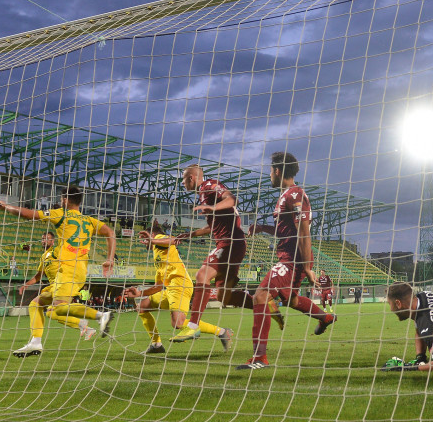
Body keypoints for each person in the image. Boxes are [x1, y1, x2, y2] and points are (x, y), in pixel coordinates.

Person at [241, 152, 336, 370]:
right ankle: (326, 317)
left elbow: (303, 232)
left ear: (277, 171)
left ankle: (259, 358)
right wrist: (263, 228)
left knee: (261, 296)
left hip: (293, 260)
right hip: (290, 257)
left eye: (270, 171)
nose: (270, 175)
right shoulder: (286, 195)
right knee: (292, 301)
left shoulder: (296, 194)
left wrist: (307, 268)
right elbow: (288, 230)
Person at [0, 186, 115, 358]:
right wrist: (110, 259)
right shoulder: (89, 220)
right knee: (36, 304)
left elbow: (32, 214)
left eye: (61, 198)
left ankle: (100, 316)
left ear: (65, 200)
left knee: (58, 309)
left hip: (68, 268)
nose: (60, 201)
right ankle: (35, 342)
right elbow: (110, 232)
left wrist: (6, 207)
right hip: (77, 269)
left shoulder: (61, 214)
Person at [165, 165, 259, 343]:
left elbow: (232, 199)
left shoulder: (209, 185)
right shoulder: (204, 193)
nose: (183, 183)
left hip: (230, 242)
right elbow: (213, 227)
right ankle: (262, 305)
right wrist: (190, 234)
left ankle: (192, 327)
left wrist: (213, 207)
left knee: (202, 274)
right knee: (225, 295)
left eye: (184, 179)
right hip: (231, 243)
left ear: (191, 178)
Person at [122, 226, 232, 354]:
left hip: (180, 284)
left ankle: (223, 332)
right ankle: (156, 344)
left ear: (152, 233)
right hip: (170, 289)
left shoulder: (159, 238)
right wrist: (140, 293)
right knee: (142, 307)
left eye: (146, 238)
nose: (144, 242)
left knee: (178, 323)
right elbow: (158, 286)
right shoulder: (157, 254)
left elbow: (172, 240)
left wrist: (153, 240)